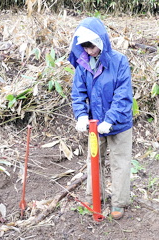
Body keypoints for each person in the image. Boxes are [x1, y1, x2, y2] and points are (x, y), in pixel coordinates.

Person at [68, 17, 133, 220]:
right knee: (94, 159)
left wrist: (110, 120)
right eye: (85, 47)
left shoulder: (119, 61)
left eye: (92, 46)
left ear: (101, 42)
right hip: (95, 124)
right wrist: (80, 116)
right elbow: (77, 93)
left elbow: (122, 95)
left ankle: (119, 202)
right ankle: (94, 195)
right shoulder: (83, 65)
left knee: (120, 161)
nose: (89, 51)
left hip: (119, 123)